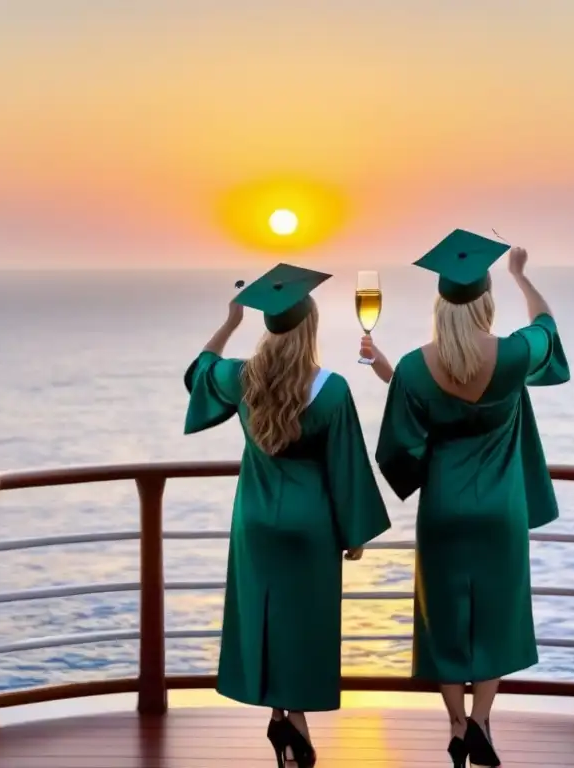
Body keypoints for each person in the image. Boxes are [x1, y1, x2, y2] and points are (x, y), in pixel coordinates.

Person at [359, 230, 569, 768]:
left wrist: (390, 373)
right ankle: (480, 721)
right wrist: (521, 274)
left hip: (444, 511)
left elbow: (401, 443)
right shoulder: (514, 356)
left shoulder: (411, 366)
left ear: (440, 305)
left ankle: (455, 726)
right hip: (500, 510)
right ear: (486, 300)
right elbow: (547, 327)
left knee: (444, 619)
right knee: (495, 615)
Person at [184, 263, 391, 768]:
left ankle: (281, 718)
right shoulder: (333, 389)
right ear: (310, 329)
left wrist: (230, 323)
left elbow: (198, 374)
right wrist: (354, 531)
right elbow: (347, 466)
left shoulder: (240, 378)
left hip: (255, 522)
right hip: (310, 525)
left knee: (267, 619)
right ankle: (294, 723)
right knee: (305, 625)